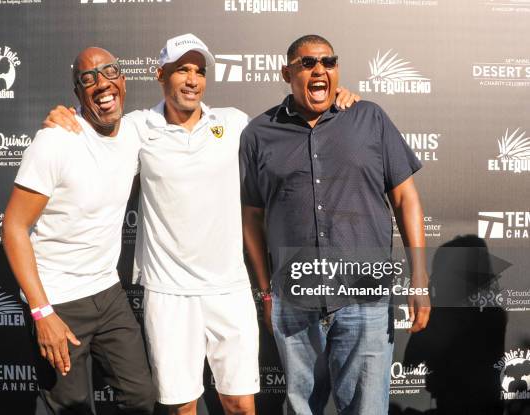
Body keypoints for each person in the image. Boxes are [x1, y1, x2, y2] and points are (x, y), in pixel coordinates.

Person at [43, 34, 359, 415]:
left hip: (230, 290)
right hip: (168, 294)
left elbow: (293, 125)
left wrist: (341, 100)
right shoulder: (137, 128)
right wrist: (65, 115)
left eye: (199, 70)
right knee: (182, 408)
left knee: (241, 405)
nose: (192, 79)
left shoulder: (234, 123)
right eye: (182, 70)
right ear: (161, 74)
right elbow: (96, 122)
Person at [240, 34, 431, 415]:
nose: (319, 70)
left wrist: (420, 279)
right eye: (308, 63)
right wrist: (265, 292)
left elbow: (406, 198)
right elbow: (251, 219)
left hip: (365, 297)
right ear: (286, 73)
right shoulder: (258, 134)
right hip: (294, 299)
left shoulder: (368, 117)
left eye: (328, 62)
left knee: (366, 410)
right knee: (300, 409)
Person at [1, 47, 155, 415]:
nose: (101, 83)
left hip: (108, 292)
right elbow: (14, 227)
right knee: (72, 408)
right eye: (89, 78)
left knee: (141, 400)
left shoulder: (136, 130)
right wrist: (42, 313)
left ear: (123, 79)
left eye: (109, 72)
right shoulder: (56, 141)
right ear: (77, 93)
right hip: (58, 300)